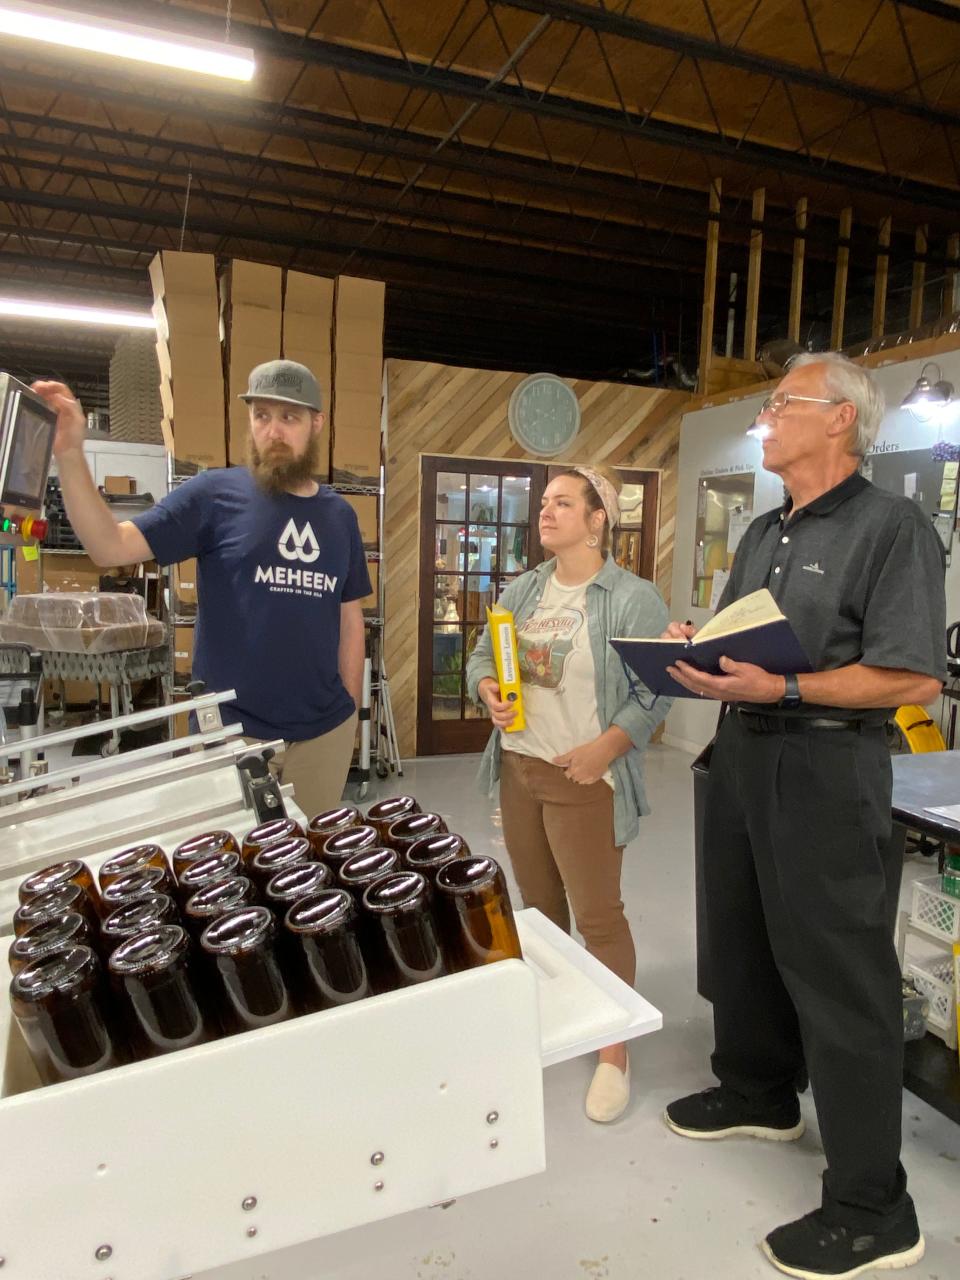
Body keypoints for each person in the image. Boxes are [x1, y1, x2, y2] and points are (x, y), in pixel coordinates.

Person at [662, 352, 946, 1279]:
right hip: (744, 751)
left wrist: (783, 683)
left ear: (842, 422)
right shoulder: (761, 529)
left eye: (785, 404)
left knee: (838, 975)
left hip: (828, 766)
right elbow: (747, 637)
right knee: (741, 935)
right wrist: (697, 647)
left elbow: (911, 676)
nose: (768, 416)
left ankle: (874, 1208)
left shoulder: (892, 527)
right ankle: (758, 1089)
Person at [32, 359, 370, 818]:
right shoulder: (213, 496)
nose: (273, 431)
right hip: (233, 733)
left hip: (323, 735)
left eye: (289, 417)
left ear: (316, 423)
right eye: (262, 416)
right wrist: (71, 455)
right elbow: (109, 547)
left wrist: (348, 716)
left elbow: (349, 618)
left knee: (308, 873)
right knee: (233, 872)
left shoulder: (340, 518)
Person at [466, 464, 669, 1123]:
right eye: (544, 503)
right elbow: (480, 655)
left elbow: (655, 689)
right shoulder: (525, 589)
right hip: (521, 770)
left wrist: (608, 747)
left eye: (561, 503)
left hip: (586, 777)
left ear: (597, 519)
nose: (545, 513)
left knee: (599, 916)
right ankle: (556, 1018)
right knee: (540, 910)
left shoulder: (631, 597)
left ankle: (615, 1054)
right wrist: (486, 688)